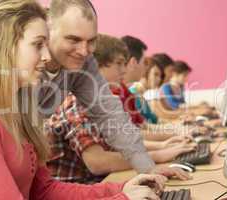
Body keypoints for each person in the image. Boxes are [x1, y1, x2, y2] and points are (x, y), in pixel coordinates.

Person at [0, 1, 166, 199]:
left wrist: (131, 184)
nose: (85, 51)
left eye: (91, 41)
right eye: (38, 45)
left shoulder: (22, 113)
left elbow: (43, 190)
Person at [41, 0, 161, 174]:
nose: (83, 51)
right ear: (48, 32)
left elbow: (111, 117)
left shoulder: (83, 64)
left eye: (91, 41)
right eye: (73, 39)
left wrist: (149, 169)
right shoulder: (21, 64)